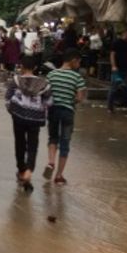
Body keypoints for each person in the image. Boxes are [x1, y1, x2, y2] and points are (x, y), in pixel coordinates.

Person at [5, 55, 53, 190]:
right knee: (33, 145)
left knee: (19, 144)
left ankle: (21, 170)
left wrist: (12, 111)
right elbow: (49, 102)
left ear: (21, 67)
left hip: (18, 116)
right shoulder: (44, 84)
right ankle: (29, 171)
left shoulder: (15, 80)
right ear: (35, 68)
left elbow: (8, 98)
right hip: (35, 119)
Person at [44, 49, 87, 185]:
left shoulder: (51, 74)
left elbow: (45, 92)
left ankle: (51, 162)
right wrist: (70, 99)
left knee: (53, 138)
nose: (79, 65)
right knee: (65, 142)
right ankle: (59, 176)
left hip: (53, 110)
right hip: (68, 112)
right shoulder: (77, 77)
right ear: (73, 61)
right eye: (79, 62)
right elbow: (80, 98)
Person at [108, 30, 127, 113]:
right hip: (117, 69)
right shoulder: (116, 43)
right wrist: (113, 66)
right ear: (123, 34)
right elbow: (112, 55)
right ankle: (110, 107)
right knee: (113, 88)